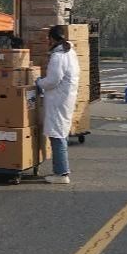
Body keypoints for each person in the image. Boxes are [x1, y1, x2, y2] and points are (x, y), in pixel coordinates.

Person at [36, 26, 80, 184]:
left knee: (57, 135)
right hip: (65, 98)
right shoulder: (70, 53)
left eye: (48, 38)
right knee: (61, 133)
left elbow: (53, 80)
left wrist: (39, 82)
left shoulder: (58, 56)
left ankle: (61, 173)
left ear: (52, 39)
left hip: (58, 99)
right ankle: (60, 171)